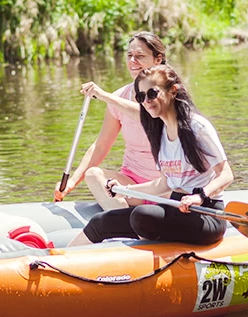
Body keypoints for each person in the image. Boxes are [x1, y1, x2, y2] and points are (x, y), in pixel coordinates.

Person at [70, 64, 234, 246]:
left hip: (205, 214)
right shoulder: (160, 133)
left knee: (143, 215)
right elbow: (163, 184)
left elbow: (226, 175)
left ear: (173, 91)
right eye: (140, 97)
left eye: (152, 94)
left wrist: (200, 196)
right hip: (176, 208)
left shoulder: (197, 127)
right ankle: (55, 264)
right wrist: (125, 191)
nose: (146, 101)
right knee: (101, 221)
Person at [53, 32, 166, 209]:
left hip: (165, 186)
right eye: (129, 55)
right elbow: (100, 146)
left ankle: (129, 221)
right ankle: (122, 224)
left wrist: (104, 96)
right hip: (131, 184)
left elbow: (149, 116)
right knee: (93, 175)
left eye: (140, 56)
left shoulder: (170, 93)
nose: (132, 61)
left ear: (158, 60)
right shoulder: (120, 96)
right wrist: (72, 182)